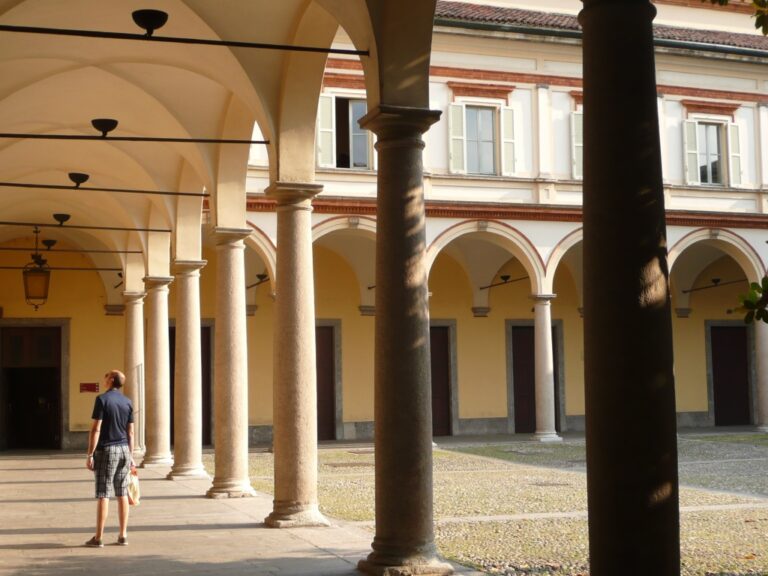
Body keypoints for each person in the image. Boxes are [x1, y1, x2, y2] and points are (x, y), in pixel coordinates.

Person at [85, 369, 135, 547]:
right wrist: (131, 455)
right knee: (122, 493)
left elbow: (96, 428)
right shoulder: (127, 402)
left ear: (111, 380)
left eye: (106, 376)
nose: (104, 379)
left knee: (103, 493)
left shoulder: (102, 400)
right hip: (123, 450)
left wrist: (90, 453)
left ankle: (98, 538)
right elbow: (130, 432)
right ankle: (123, 535)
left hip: (107, 450)